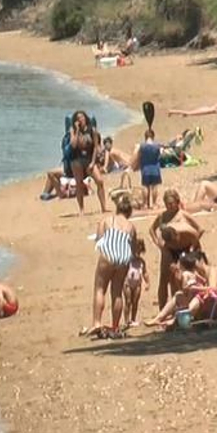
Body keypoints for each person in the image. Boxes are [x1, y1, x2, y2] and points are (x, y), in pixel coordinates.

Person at [83, 194, 136, 337]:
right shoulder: (131, 226)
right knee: (117, 292)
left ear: (117, 209)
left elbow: (99, 240)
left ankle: (97, 323)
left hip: (108, 254)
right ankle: (115, 325)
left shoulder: (107, 220)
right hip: (123, 256)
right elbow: (133, 246)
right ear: (129, 212)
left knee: (100, 289)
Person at [150, 189, 206, 308]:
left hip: (184, 248)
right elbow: (151, 229)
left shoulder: (183, 214)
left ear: (177, 202)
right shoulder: (162, 216)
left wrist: (191, 247)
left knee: (184, 277)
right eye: (167, 203)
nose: (169, 206)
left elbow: (200, 229)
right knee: (165, 278)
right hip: (169, 249)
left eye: (171, 203)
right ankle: (163, 308)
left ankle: (184, 305)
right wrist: (158, 243)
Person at [66, 110, 104, 214]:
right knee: (79, 184)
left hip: (89, 160)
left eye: (81, 117)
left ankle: (103, 207)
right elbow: (73, 145)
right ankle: (81, 209)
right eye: (77, 118)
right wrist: (77, 131)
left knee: (99, 181)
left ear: (85, 118)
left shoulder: (92, 130)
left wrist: (93, 162)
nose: (80, 120)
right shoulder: (73, 130)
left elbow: (96, 147)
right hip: (77, 160)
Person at [122, 238, 150, 330]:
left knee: (135, 301)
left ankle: (133, 319)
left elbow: (145, 272)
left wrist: (147, 282)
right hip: (128, 282)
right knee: (128, 301)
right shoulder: (127, 260)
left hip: (138, 283)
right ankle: (126, 320)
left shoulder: (141, 261)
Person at [134, 129, 163, 210]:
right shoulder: (157, 146)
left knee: (145, 186)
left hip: (145, 169)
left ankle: (145, 204)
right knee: (154, 187)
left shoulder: (142, 146)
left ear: (145, 137)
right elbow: (160, 156)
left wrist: (136, 166)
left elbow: (138, 157)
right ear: (153, 136)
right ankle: (154, 204)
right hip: (155, 169)